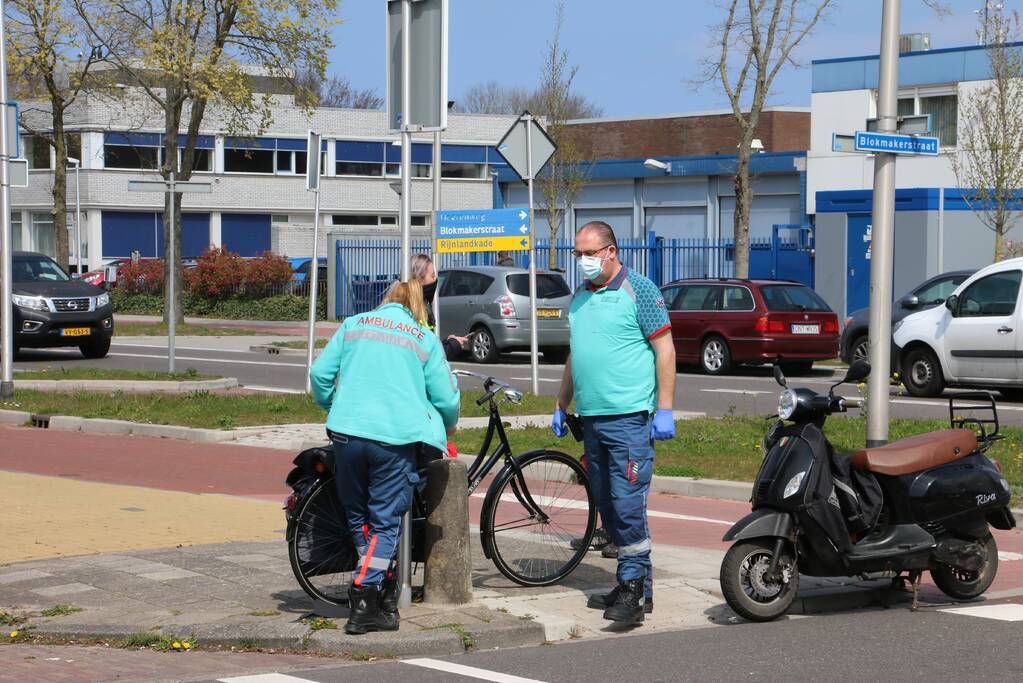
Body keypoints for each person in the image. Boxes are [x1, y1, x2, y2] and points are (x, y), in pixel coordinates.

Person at [310, 279, 460, 635]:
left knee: (358, 515)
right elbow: (446, 398)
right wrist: (449, 426)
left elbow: (319, 374)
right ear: (416, 307)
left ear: (386, 300)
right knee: (385, 522)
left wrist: (333, 405)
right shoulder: (422, 338)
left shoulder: (354, 324)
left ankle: (382, 588)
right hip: (392, 440)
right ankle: (363, 596)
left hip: (346, 433)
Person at [552, 221, 676, 626]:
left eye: (588, 253)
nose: (582, 261)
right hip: (592, 421)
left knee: (627, 506)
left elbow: (665, 349)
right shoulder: (580, 299)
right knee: (607, 507)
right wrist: (561, 402)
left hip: (629, 421)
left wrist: (665, 408)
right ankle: (638, 584)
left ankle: (632, 591)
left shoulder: (638, 290)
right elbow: (577, 355)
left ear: (611, 251)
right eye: (577, 254)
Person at [411, 253, 470, 361]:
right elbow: (426, 355)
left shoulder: (423, 305)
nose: (435, 280)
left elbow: (427, 344)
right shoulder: (411, 309)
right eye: (432, 275)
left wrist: (447, 342)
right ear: (419, 280)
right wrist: (451, 346)